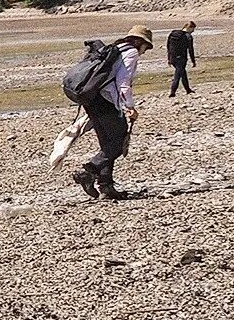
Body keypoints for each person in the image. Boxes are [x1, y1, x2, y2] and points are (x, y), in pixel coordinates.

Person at [72, 25, 153, 201]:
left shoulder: (116, 48)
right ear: (140, 42)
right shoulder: (130, 52)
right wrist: (130, 107)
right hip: (107, 101)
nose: (145, 51)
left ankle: (106, 186)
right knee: (118, 142)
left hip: (92, 99)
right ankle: (89, 172)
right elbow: (123, 82)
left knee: (107, 144)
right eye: (146, 46)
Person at [167, 21, 197, 97]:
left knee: (183, 73)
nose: (193, 31)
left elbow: (168, 47)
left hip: (173, 58)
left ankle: (188, 89)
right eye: (193, 29)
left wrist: (169, 59)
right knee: (178, 75)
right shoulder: (188, 36)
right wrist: (193, 61)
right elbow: (190, 49)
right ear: (189, 28)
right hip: (181, 58)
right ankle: (172, 92)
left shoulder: (172, 34)